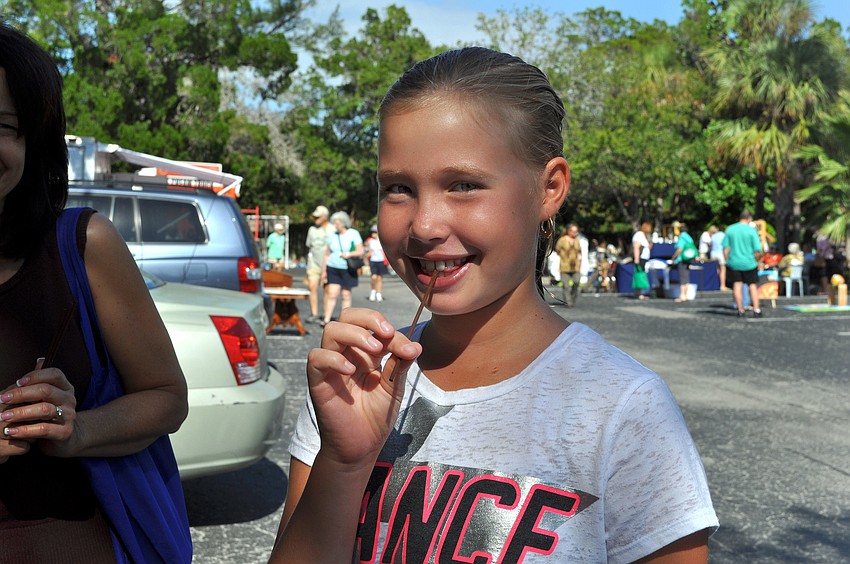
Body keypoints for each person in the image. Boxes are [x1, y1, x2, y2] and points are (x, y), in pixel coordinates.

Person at [271, 46, 716, 563]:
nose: (424, 225)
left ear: (549, 188)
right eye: (397, 188)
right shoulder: (356, 381)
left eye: (464, 185)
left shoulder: (623, 406)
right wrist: (344, 463)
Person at [0, 23, 189, 561]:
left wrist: (77, 429)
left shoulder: (83, 245)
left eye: (1, 125)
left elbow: (167, 398)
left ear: (31, 141)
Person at [320, 211, 363, 327]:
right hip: (333, 266)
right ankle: (326, 319)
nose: (336, 225)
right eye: (334, 222)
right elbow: (327, 254)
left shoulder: (354, 234)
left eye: (337, 222)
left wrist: (348, 254)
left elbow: (360, 251)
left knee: (346, 294)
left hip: (347, 268)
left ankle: (345, 320)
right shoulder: (332, 236)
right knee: (332, 293)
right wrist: (323, 271)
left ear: (344, 222)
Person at [723, 209, 763, 317]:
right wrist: (758, 261)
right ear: (749, 218)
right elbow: (758, 250)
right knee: (752, 285)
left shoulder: (730, 229)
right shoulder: (751, 230)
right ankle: (756, 309)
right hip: (749, 262)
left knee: (737, 285)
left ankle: (740, 309)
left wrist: (727, 260)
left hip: (734, 262)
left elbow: (726, 248)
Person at [304, 205, 334, 323]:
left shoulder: (333, 229)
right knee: (312, 286)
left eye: (318, 216)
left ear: (325, 217)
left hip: (328, 265)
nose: (315, 218)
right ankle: (314, 313)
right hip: (314, 264)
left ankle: (326, 315)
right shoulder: (312, 230)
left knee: (327, 289)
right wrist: (308, 266)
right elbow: (309, 247)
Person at [554, 223, 583, 307]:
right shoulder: (562, 240)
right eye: (573, 231)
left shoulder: (577, 240)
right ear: (568, 231)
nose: (574, 233)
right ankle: (568, 302)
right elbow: (557, 250)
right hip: (564, 266)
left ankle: (572, 298)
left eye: (576, 231)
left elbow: (579, 252)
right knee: (566, 285)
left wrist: (580, 263)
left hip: (575, 266)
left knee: (576, 282)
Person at [670, 222, 696, 303]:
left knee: (682, 278)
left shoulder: (681, 238)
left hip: (682, 259)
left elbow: (680, 249)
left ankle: (682, 296)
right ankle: (686, 295)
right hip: (688, 259)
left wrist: (673, 258)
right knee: (687, 277)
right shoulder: (689, 237)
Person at [365, 224, 388, 302]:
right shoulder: (369, 241)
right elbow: (367, 250)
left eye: (375, 232)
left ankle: (379, 293)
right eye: (372, 232)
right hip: (373, 260)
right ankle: (373, 291)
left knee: (380, 278)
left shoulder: (382, 241)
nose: (373, 234)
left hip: (381, 261)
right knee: (373, 277)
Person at [632, 221, 653, 300]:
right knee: (640, 275)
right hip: (640, 258)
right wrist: (637, 258)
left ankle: (638, 292)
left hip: (643, 258)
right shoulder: (639, 235)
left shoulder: (643, 236)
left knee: (640, 274)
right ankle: (640, 293)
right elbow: (636, 246)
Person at [709, 226, 728, 291]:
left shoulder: (713, 236)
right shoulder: (724, 235)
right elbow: (726, 246)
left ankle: (715, 284)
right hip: (721, 253)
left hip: (713, 253)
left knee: (716, 270)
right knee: (723, 269)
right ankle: (722, 285)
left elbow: (710, 245)